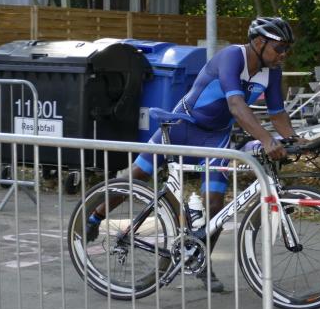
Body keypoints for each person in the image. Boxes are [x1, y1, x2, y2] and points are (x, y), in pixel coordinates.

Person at [86, 16, 304, 292]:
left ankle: (200, 262)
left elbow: (278, 113)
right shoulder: (231, 57)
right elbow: (236, 105)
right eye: (280, 47)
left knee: (215, 206)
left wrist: (295, 140)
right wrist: (267, 140)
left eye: (287, 49)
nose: (284, 54)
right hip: (181, 126)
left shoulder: (271, 72)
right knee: (137, 175)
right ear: (259, 42)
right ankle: (95, 216)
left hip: (215, 138)